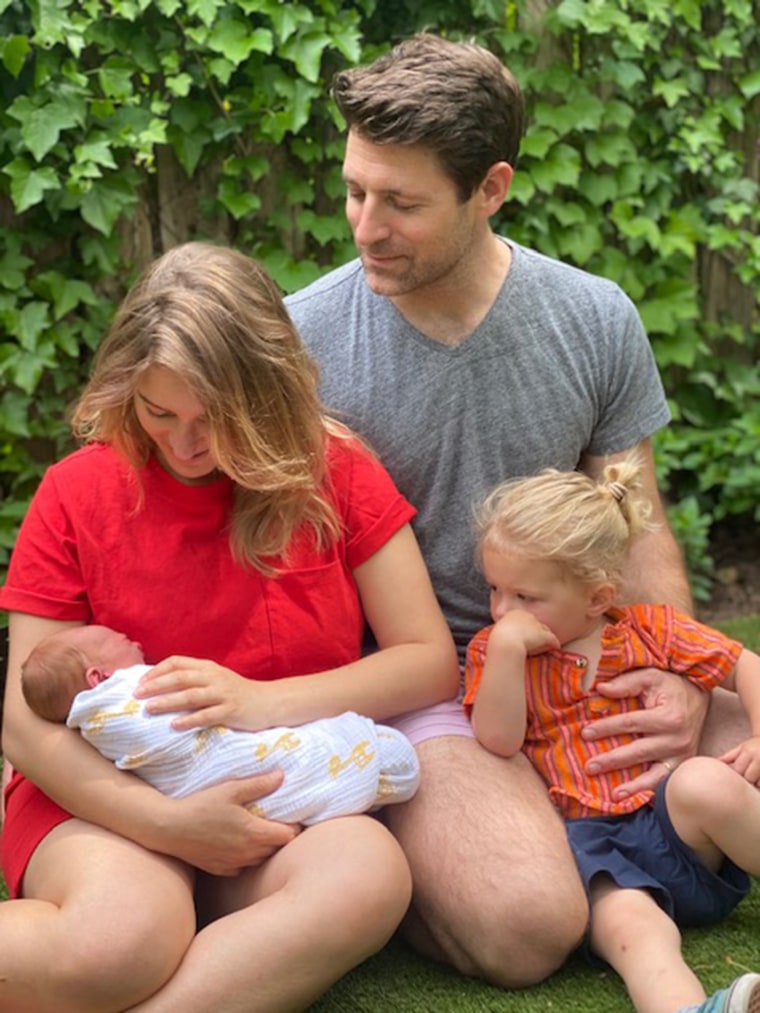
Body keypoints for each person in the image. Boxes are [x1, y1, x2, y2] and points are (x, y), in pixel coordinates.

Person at [284, 32, 748, 985]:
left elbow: (639, 520)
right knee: (530, 924)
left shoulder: (593, 317)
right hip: (434, 689)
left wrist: (682, 680)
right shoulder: (301, 340)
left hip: (581, 651)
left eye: (401, 203)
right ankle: (444, 842)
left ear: (490, 188)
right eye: (355, 190)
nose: (364, 226)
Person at [0, 240, 461, 1012]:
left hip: (278, 800)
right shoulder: (75, 492)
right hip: (105, 802)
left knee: (368, 872)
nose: (183, 443)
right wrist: (168, 824)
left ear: (267, 391)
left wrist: (256, 701)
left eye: (214, 418)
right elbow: (22, 721)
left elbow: (427, 662)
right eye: (158, 412)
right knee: (124, 937)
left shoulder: (336, 471)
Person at [463, 458, 760, 1013]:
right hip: (593, 852)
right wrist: (505, 650)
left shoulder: (649, 630)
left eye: (525, 597)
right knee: (635, 932)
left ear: (598, 598)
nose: (503, 611)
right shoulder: (495, 651)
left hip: (676, 832)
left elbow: (746, 665)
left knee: (705, 783)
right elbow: (498, 740)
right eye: (494, 589)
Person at [21, 623, 420, 823]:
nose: (133, 641)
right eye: (117, 638)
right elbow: (176, 739)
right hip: (193, 799)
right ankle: (350, 762)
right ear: (99, 678)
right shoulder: (123, 702)